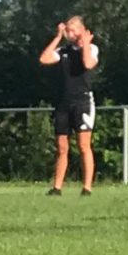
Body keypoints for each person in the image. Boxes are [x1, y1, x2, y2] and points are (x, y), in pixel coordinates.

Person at [37, 15, 99, 196]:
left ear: (81, 31)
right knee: (62, 147)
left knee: (83, 145)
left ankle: (87, 188)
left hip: (82, 103)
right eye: (68, 31)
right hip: (63, 103)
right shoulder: (63, 51)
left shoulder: (92, 49)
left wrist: (85, 43)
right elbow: (44, 59)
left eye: (73, 30)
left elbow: (88, 63)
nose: (70, 34)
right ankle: (57, 187)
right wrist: (57, 37)